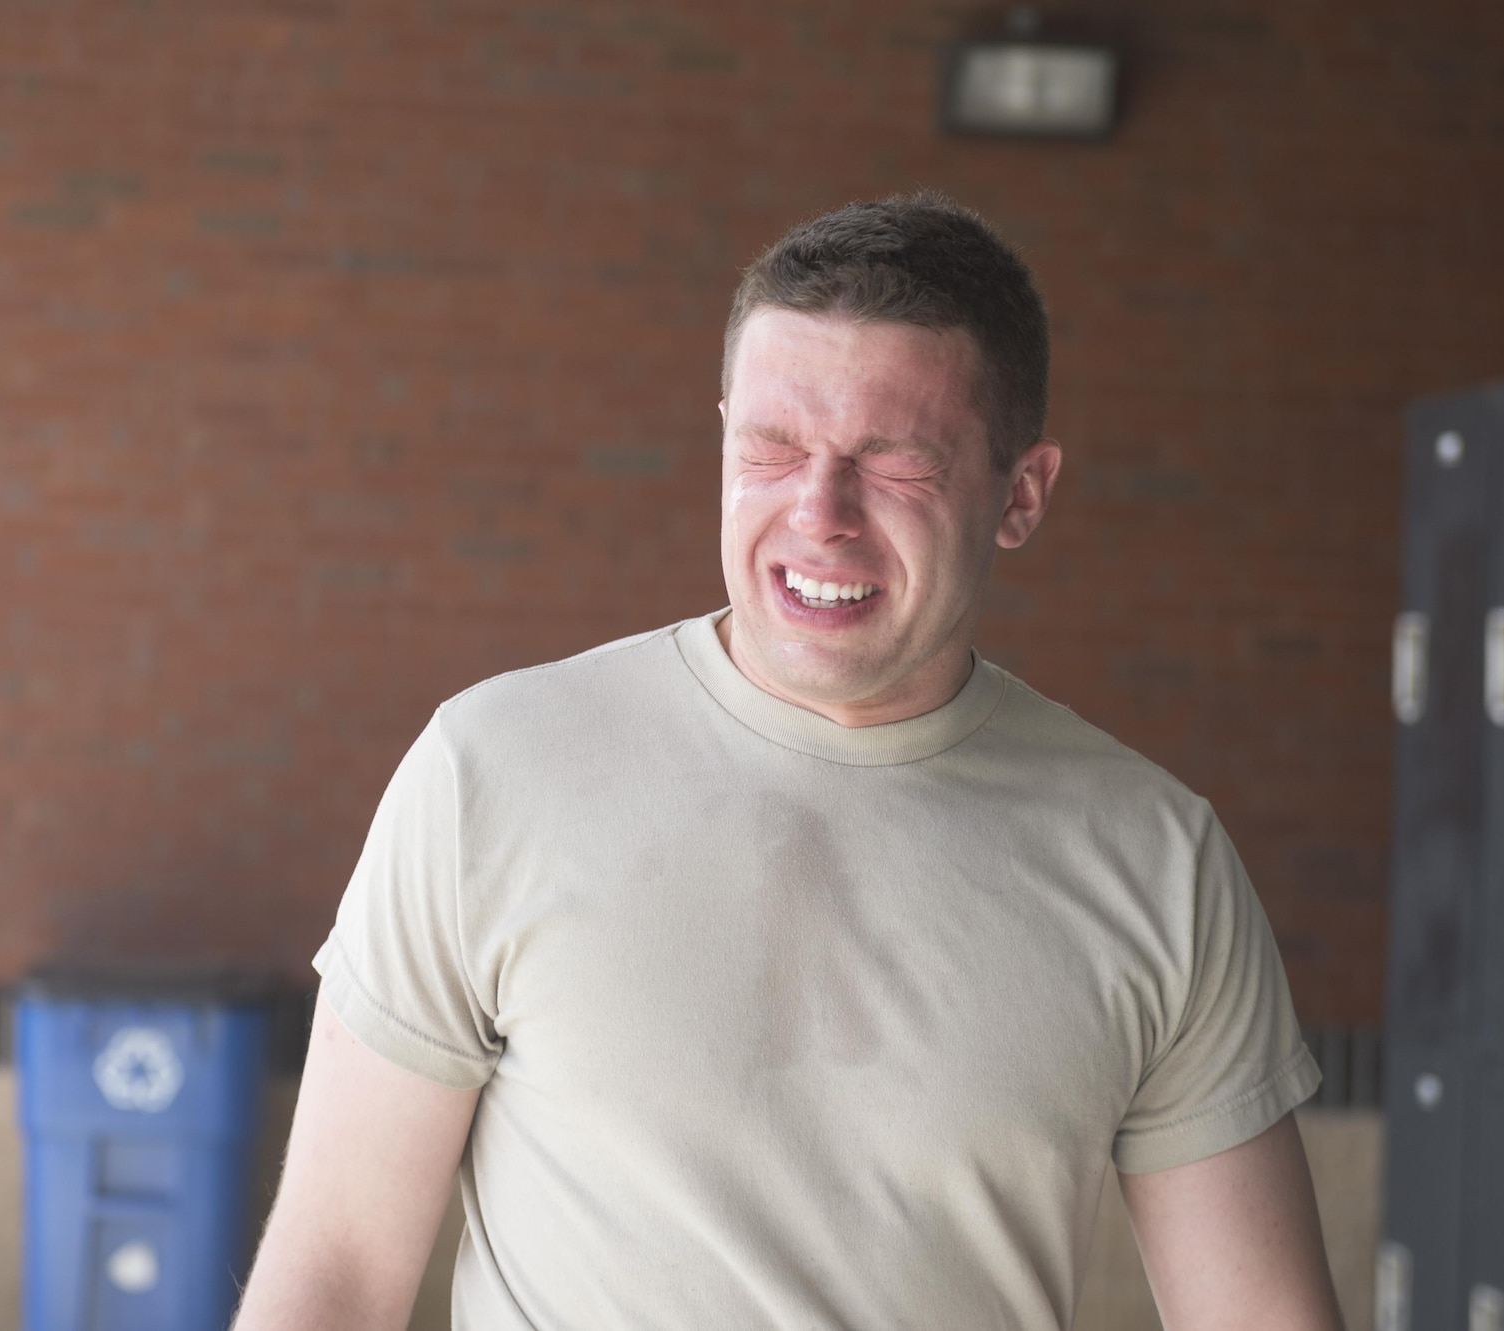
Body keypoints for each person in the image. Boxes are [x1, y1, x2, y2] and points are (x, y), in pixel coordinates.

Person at [235, 194, 1343, 1330]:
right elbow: (333, 1272)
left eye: (893, 462)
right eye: (769, 448)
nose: (818, 513)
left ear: (1019, 493)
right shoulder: (490, 773)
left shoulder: (1155, 858)